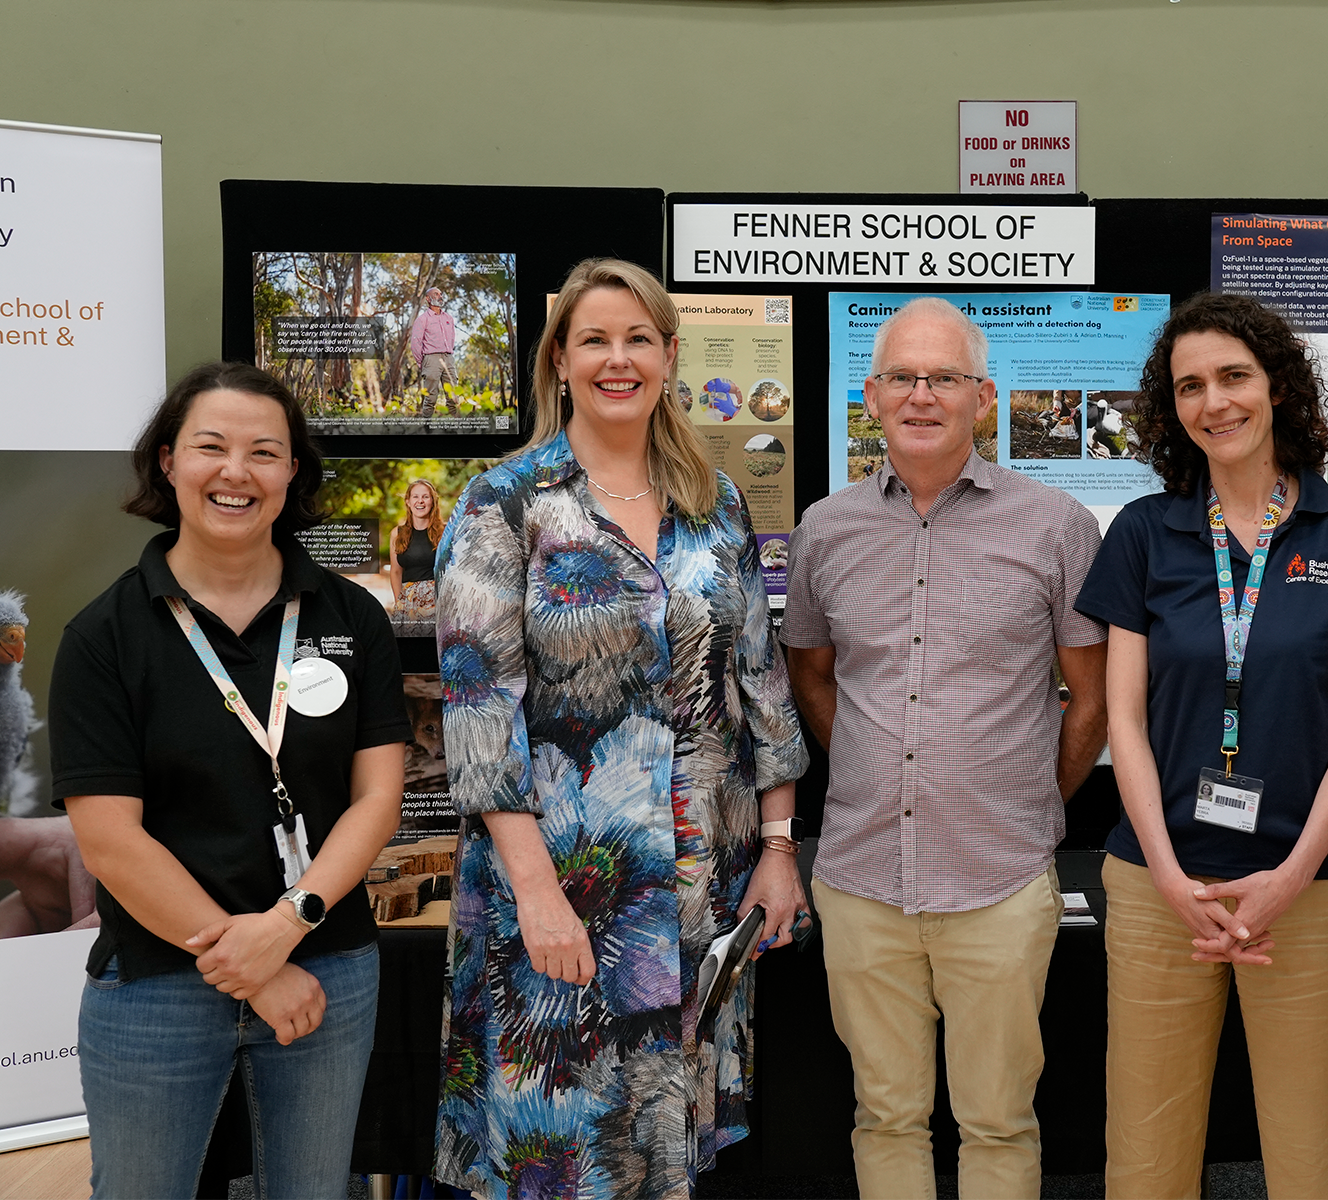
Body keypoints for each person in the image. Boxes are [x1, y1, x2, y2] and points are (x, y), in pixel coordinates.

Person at [432, 258, 810, 1200]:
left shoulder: (714, 505)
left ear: (671, 356)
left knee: (669, 1147)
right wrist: (536, 895)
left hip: (696, 896)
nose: (618, 359)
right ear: (559, 361)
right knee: (562, 1150)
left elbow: (760, 685)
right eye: (594, 339)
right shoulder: (503, 504)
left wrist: (777, 846)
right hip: (560, 893)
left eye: (639, 338)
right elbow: (480, 713)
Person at [1072, 292, 1328, 1199]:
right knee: (1147, 1162)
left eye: (1234, 376)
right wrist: (1170, 876)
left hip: (1311, 886)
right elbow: (1125, 724)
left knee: (1323, 1160)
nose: (1214, 402)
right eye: (1191, 385)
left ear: (1278, 387)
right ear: (1171, 408)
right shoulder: (1146, 534)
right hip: (1161, 887)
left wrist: (1293, 874)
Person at [50, 361, 409, 1200]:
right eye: (211, 447)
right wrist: (248, 959)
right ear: (168, 461)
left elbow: (378, 798)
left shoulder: (351, 616)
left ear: (293, 473)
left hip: (327, 967)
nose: (236, 472)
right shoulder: (104, 636)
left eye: (264, 452)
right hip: (158, 982)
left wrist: (289, 926)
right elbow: (109, 839)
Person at [781, 296, 1109, 1200]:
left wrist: (1033, 801)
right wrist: (871, 768)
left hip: (999, 878)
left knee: (999, 1121)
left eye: (945, 377)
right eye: (902, 377)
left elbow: (1095, 692)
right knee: (883, 1116)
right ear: (871, 395)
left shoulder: (1057, 527)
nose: (922, 394)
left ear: (984, 397)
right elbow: (810, 673)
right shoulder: (824, 530)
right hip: (861, 878)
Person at [387, 477, 442, 631]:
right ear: (408, 501)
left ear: (433, 501)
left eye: (425, 497)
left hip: (436, 603)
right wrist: (400, 603)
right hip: (407, 603)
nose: (420, 501)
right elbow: (396, 571)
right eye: (415, 497)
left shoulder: (444, 532)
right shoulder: (397, 533)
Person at [408, 286, 456, 415]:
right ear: (428, 299)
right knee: (430, 398)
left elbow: (451, 339)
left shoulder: (449, 318)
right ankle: (426, 428)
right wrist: (422, 363)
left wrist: (449, 353)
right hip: (431, 359)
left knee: (453, 397)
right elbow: (415, 343)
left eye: (440, 294)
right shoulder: (422, 319)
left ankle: (456, 428)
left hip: (449, 358)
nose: (440, 296)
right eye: (436, 294)